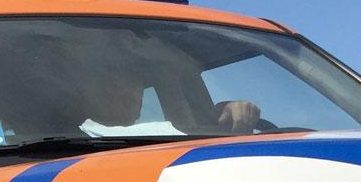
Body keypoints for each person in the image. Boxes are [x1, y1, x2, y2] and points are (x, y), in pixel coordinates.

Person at [77, 66, 261, 137]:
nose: (124, 90)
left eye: (134, 84)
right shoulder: (73, 141)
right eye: (111, 83)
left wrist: (232, 120)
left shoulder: (168, 138)